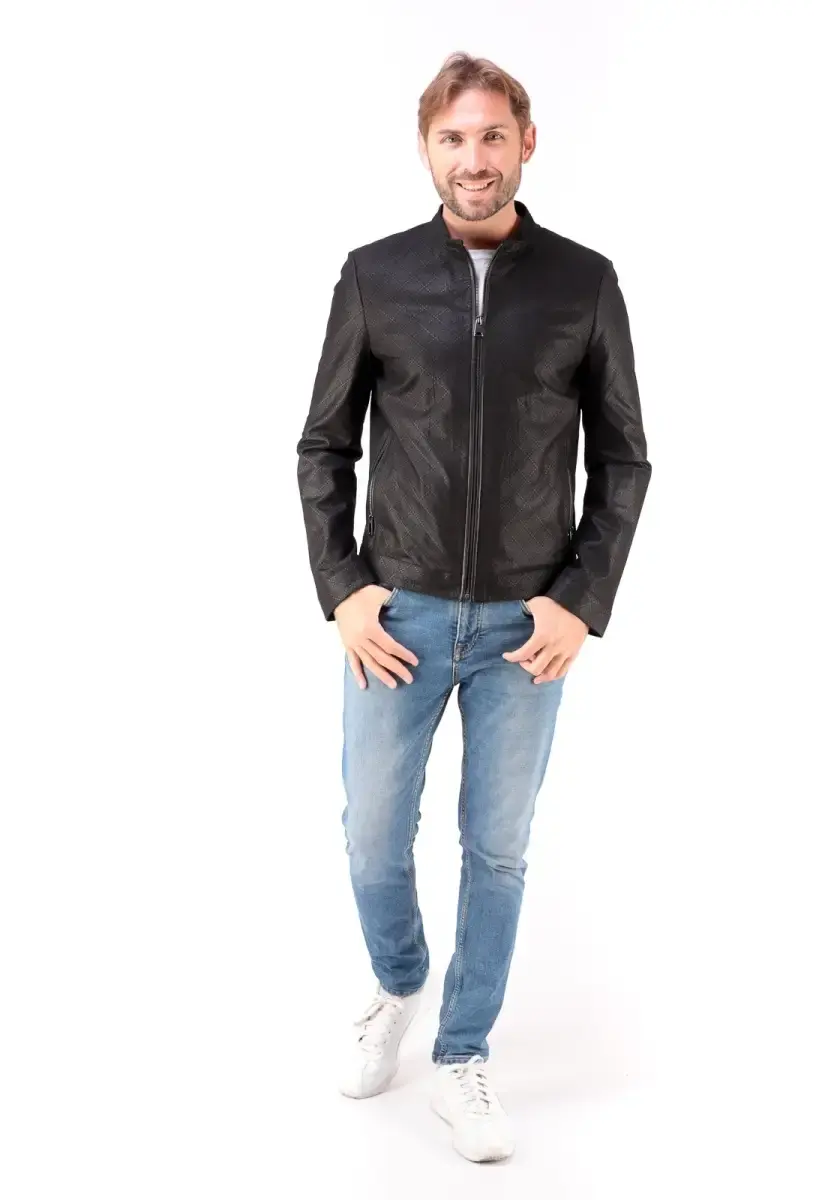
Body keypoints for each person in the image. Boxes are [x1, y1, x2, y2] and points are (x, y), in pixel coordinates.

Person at [295, 51, 651, 1163]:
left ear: (526, 143)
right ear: (427, 149)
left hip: (523, 629)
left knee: (496, 850)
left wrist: (580, 601)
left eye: (493, 135)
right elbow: (324, 446)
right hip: (394, 620)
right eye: (454, 138)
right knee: (370, 836)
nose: (475, 157)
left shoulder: (583, 282)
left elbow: (625, 460)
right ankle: (399, 980)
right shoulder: (375, 276)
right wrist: (344, 591)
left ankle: (461, 1053)